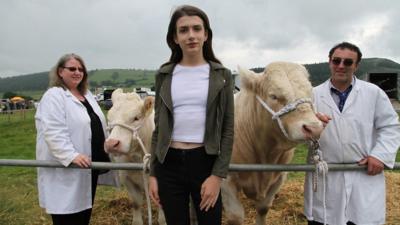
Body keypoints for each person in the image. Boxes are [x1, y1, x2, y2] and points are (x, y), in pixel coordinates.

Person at [148, 5, 234, 225]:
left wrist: (217, 176)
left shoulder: (221, 75)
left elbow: (227, 129)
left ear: (206, 34)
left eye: (197, 29)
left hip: (205, 162)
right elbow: (159, 126)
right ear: (175, 38)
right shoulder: (164, 74)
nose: (191, 35)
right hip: (168, 164)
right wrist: (154, 174)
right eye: (183, 30)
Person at [304, 42, 400, 225]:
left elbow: (390, 126)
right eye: (336, 60)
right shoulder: (312, 96)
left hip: (363, 174)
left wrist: (380, 156)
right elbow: (296, 133)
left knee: (361, 218)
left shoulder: (374, 93)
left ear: (356, 66)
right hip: (326, 176)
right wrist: (311, 126)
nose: (341, 66)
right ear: (329, 62)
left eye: (348, 62)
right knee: (324, 219)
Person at [35, 53, 116, 225]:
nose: (77, 72)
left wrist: (107, 143)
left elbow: (97, 125)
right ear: (60, 72)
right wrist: (71, 155)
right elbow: (53, 131)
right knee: (67, 217)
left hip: (89, 167)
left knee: (84, 215)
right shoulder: (54, 96)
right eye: (72, 69)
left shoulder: (86, 95)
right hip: (67, 168)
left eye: (81, 69)